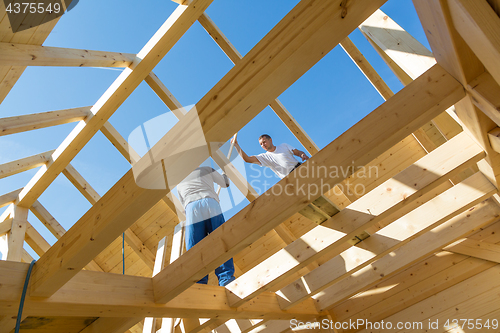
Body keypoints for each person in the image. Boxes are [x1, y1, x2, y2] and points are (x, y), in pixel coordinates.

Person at [177, 166, 235, 287]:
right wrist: (225, 175)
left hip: (191, 208)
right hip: (210, 203)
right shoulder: (206, 169)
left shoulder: (178, 181)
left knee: (195, 248)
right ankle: (226, 279)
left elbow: (184, 207)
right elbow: (225, 183)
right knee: (220, 241)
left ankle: (199, 284)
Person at [231, 134, 309, 179]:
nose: (263, 145)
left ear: (270, 140)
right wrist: (236, 145)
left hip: (300, 169)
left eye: (264, 142)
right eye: (261, 144)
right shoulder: (264, 157)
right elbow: (247, 159)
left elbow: (298, 152)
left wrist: (303, 155)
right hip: (290, 178)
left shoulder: (283, 146)